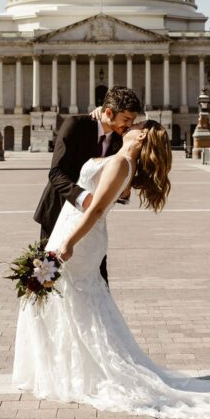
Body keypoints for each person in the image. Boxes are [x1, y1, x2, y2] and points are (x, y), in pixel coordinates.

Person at [14, 121, 210, 419]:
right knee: (74, 300)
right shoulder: (121, 159)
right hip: (75, 227)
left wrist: (69, 243)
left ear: (140, 135)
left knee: (76, 299)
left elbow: (97, 209)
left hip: (80, 234)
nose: (129, 124)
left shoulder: (122, 163)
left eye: (135, 123)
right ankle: (73, 368)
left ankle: (86, 371)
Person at [33, 86, 141, 283]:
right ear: (109, 112)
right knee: (46, 279)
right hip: (58, 211)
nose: (129, 125)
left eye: (132, 120)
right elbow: (56, 173)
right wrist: (83, 198)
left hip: (92, 222)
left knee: (98, 278)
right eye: (126, 119)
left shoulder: (121, 140)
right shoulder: (76, 125)